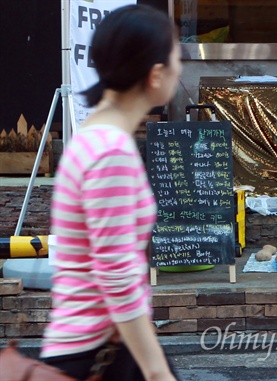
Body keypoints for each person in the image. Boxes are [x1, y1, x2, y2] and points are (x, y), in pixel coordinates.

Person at [40, 5, 181, 381]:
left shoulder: (93, 140)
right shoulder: (111, 152)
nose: (180, 69)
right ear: (155, 75)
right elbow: (116, 273)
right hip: (98, 353)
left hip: (100, 345)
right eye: (176, 58)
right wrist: (157, 372)